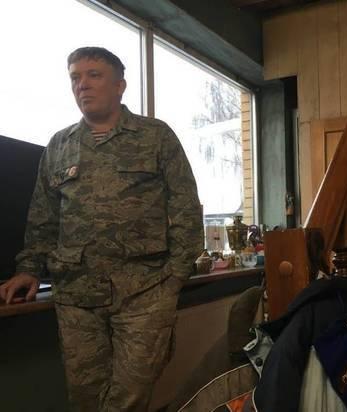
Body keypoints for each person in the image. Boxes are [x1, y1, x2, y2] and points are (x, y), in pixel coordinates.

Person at [0, 47, 204, 411]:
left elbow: (186, 207)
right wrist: (28, 269)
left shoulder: (155, 136)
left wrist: (174, 277)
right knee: (86, 398)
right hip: (77, 294)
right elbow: (43, 216)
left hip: (145, 291)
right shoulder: (59, 145)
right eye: (75, 77)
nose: (82, 85)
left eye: (93, 75)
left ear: (119, 85)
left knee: (131, 396)